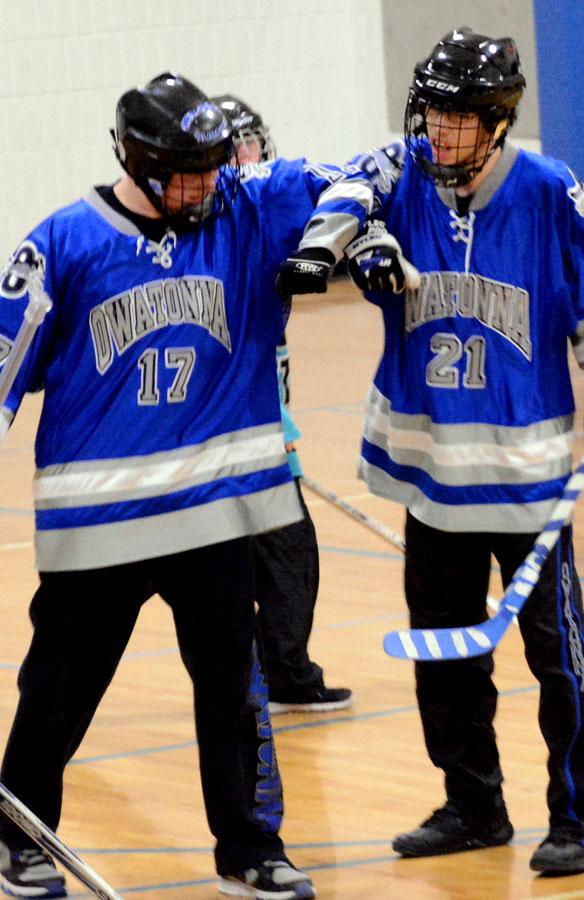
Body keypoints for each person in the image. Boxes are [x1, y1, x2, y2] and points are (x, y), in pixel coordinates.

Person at [0, 72, 374, 899]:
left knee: (233, 693)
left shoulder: (242, 208)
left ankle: (250, 847)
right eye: (190, 171)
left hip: (213, 512)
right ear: (138, 160)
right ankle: (19, 836)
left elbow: (370, 169)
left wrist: (350, 235)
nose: (210, 184)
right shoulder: (62, 243)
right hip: (99, 522)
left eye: (215, 166)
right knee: (59, 687)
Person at [337, 27, 584, 876]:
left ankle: (582, 818)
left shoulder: (553, 191)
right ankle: (473, 805)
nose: (437, 133)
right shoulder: (398, 175)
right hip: (432, 478)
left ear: (497, 121)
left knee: (558, 663)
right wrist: (358, 243)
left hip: (526, 482)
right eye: (432, 114)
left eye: (458, 118)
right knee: (445, 656)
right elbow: (334, 198)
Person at [212, 93, 353, 714]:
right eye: (236, 148)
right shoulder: (222, 240)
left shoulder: (262, 225)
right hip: (240, 438)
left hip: (257, 436)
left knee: (264, 559)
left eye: (251, 144)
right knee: (287, 554)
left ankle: (278, 672)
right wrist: (276, 421)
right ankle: (286, 675)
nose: (251, 157)